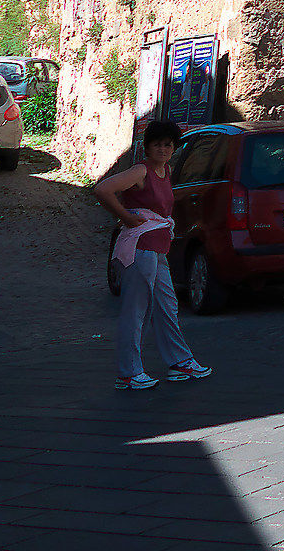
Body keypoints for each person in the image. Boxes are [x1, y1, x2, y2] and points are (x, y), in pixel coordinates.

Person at [94, 118, 211, 390]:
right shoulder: (140, 171)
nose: (163, 149)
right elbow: (103, 189)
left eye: (168, 145)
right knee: (136, 311)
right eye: (157, 144)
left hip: (157, 250)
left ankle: (179, 362)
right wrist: (125, 217)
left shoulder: (166, 171)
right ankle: (128, 372)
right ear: (147, 147)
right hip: (139, 249)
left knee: (167, 307)